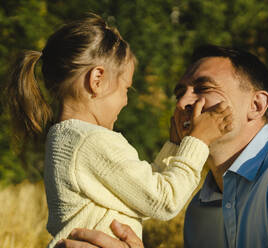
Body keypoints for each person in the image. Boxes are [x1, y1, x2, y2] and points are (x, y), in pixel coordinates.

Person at [56, 45, 268, 248]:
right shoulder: (198, 211)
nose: (182, 102)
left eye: (203, 88)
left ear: (257, 105)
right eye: (179, 92)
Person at [5, 13, 234, 248]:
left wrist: (174, 147)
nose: (125, 101)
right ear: (97, 79)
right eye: (126, 88)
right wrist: (198, 140)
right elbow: (164, 201)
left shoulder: (68, 139)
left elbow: (138, 198)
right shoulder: (90, 140)